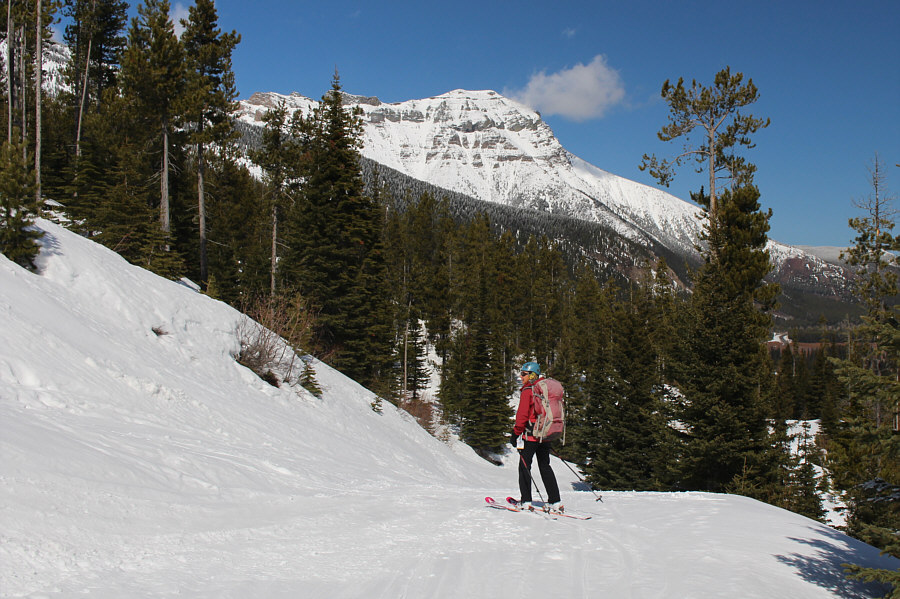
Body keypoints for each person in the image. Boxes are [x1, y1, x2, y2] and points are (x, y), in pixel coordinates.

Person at [512, 361, 562, 511]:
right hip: (545, 434)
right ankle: (555, 501)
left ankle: (526, 501)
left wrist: (515, 433)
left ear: (532, 375)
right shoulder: (544, 389)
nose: (521, 377)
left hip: (532, 435)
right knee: (545, 465)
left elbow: (522, 416)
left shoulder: (529, 391)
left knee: (524, 466)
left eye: (523, 374)